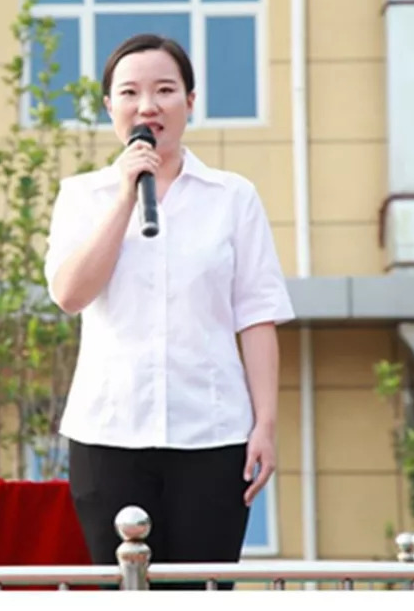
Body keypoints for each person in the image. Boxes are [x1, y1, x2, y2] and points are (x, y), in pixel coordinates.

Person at [46, 34, 293, 580]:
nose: (147, 105)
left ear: (190, 101)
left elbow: (256, 316)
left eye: (165, 90)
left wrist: (266, 426)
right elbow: (69, 294)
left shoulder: (233, 197)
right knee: (122, 589)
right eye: (130, 92)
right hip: (108, 432)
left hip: (213, 434)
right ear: (110, 107)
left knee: (200, 589)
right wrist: (124, 196)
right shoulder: (81, 196)